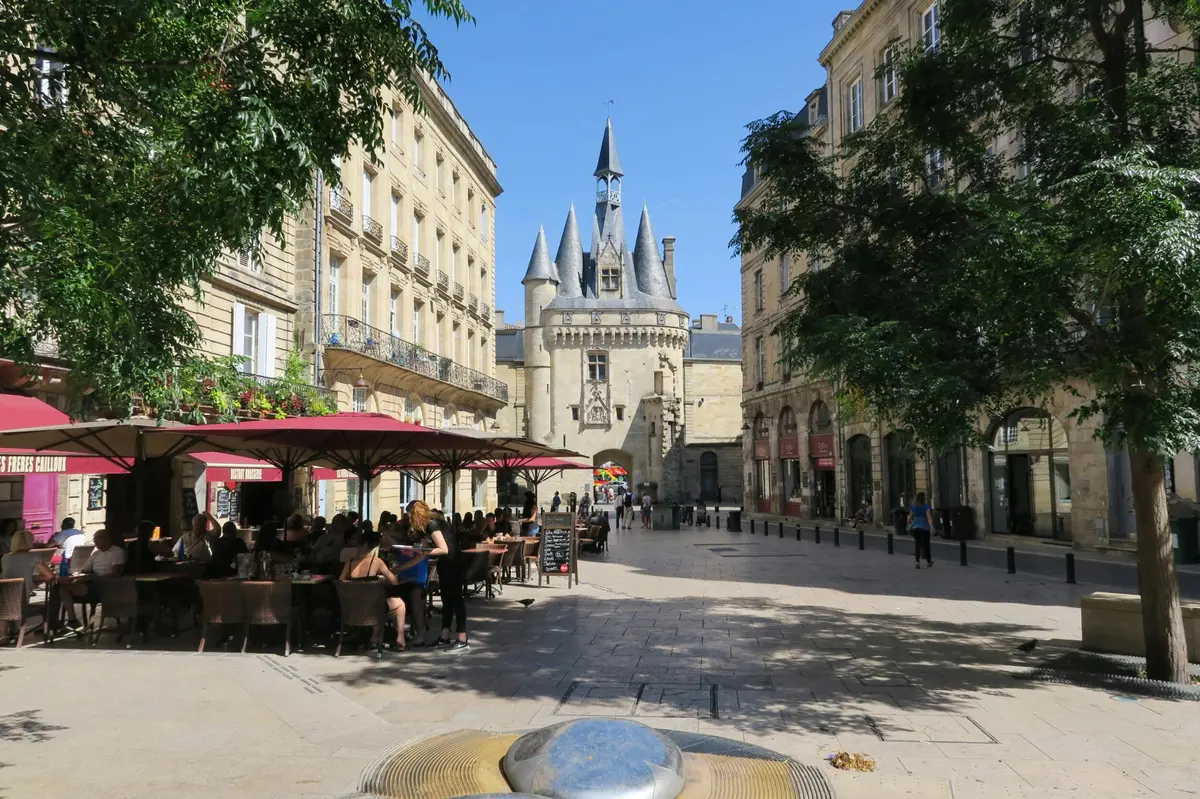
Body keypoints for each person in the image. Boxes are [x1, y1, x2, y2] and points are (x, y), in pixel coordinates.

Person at [409, 500, 467, 652]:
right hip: (445, 564)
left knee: (456, 600)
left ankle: (462, 638)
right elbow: (423, 552)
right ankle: (444, 635)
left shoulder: (432, 524)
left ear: (416, 515)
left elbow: (443, 549)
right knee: (446, 600)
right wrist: (403, 566)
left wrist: (423, 551)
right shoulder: (427, 526)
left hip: (453, 563)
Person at [340, 527, 407, 650]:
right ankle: (399, 638)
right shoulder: (376, 562)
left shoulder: (349, 564)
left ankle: (373, 634)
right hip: (373, 610)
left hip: (352, 608)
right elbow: (394, 581)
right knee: (400, 603)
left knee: (374, 601)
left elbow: (341, 583)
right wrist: (381, 580)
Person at [59, 529, 125, 626]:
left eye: (97, 539)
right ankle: (71, 620)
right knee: (61, 588)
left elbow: (115, 574)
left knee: (64, 590)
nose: (95, 542)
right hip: (92, 583)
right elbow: (85, 570)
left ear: (106, 539)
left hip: (106, 586)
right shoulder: (96, 554)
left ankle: (72, 621)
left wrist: (94, 577)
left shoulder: (117, 552)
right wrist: (78, 576)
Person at [1, 529, 54, 598]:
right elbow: (50, 576)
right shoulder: (34, 556)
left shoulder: (5, 557)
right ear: (29, 542)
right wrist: (33, 577)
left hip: (5, 595)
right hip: (22, 595)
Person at [908, 491, 934, 569]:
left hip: (916, 527)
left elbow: (910, 517)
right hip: (925, 527)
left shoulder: (913, 507)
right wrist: (931, 526)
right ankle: (929, 561)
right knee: (926, 545)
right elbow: (929, 517)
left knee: (917, 544)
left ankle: (917, 562)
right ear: (923, 498)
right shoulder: (926, 507)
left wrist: (908, 525)